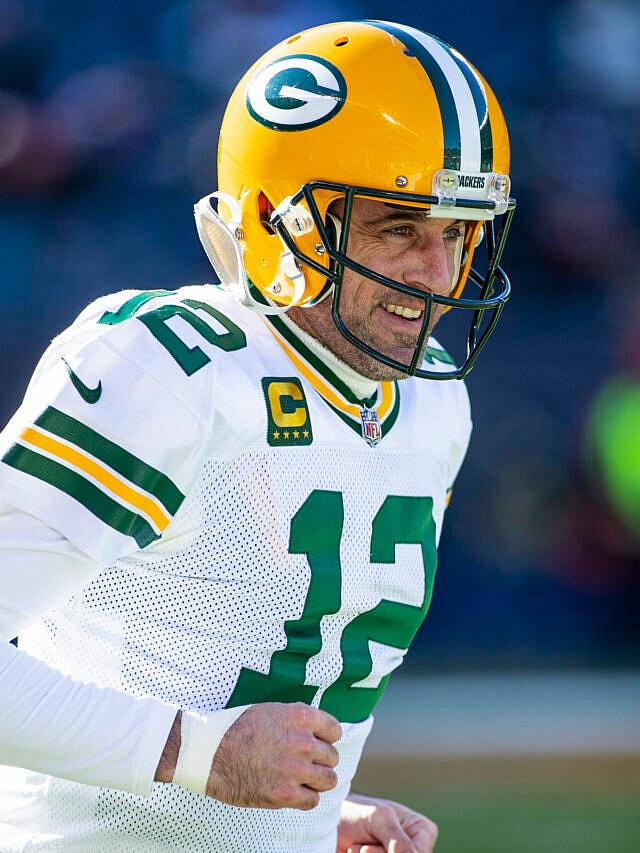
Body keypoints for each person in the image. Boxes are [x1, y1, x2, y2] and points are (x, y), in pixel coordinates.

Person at [0, 19, 515, 853]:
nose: (435, 275)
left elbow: (235, 679)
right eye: (399, 228)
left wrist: (305, 820)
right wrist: (194, 755)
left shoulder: (429, 402)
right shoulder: (171, 365)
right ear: (283, 221)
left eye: (457, 233)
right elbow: (201, 748)